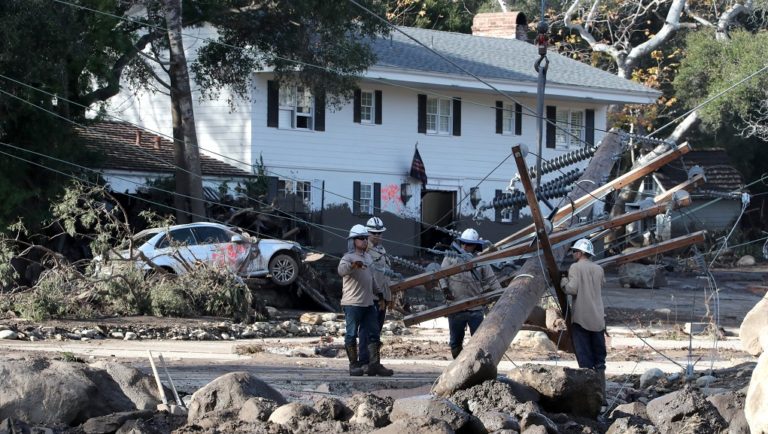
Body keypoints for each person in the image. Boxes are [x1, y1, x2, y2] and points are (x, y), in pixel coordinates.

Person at [338, 224, 393, 377]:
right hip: (353, 303)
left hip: (369, 302)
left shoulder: (368, 257)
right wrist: (352, 266)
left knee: (374, 333)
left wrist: (381, 295)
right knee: (351, 334)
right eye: (360, 238)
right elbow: (341, 271)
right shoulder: (347, 258)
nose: (364, 240)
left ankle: (374, 364)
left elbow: (372, 279)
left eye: (365, 238)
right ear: (353, 241)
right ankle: (354, 365)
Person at [438, 228, 502, 359]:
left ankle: (477, 367)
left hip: (475, 308)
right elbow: (441, 275)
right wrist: (445, 290)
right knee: (455, 343)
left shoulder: (481, 260)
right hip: (455, 307)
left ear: (475, 246)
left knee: (479, 342)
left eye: (469, 244)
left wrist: (501, 295)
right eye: (464, 243)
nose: (465, 246)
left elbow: (492, 280)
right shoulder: (450, 257)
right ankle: (459, 367)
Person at [560, 238, 607, 403]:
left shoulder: (575, 267)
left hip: (581, 319)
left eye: (574, 251)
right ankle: (603, 396)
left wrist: (563, 280)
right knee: (600, 360)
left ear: (580, 253)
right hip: (598, 319)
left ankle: (590, 398)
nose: (573, 254)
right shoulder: (598, 269)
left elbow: (571, 289)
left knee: (585, 359)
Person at [358, 217, 392, 368]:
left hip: (382, 298)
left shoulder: (382, 250)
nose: (377, 236)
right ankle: (364, 361)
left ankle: (374, 362)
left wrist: (388, 297)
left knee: (376, 331)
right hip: (369, 297)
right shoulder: (364, 250)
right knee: (366, 331)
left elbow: (385, 276)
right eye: (374, 233)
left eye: (380, 233)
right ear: (368, 233)